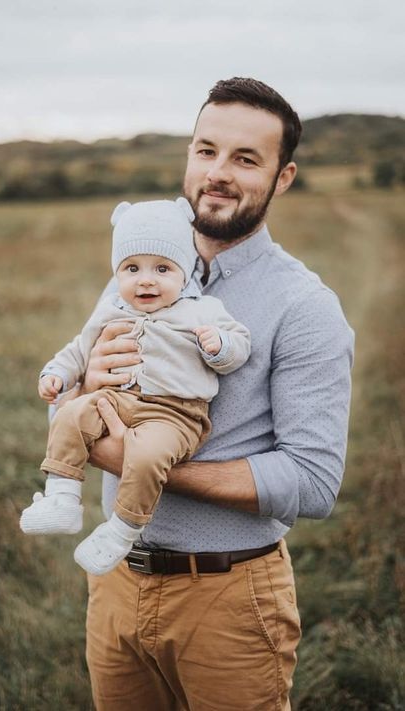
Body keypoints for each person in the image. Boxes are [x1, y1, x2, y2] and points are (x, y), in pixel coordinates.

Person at [66, 78, 354, 710]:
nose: (218, 173)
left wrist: (146, 464)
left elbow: (312, 481)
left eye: (246, 159)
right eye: (206, 150)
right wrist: (84, 388)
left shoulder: (305, 307)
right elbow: (73, 396)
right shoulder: (136, 273)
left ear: (283, 176)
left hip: (228, 595)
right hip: (115, 583)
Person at [20, 197, 251, 576]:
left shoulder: (201, 310)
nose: (146, 279)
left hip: (175, 415)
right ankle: (61, 498)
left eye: (162, 268)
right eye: (131, 268)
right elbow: (79, 349)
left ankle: (123, 529)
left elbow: (240, 342)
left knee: (146, 455)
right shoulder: (112, 309)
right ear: (118, 273)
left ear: (185, 272)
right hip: (117, 398)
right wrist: (57, 375)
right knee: (71, 414)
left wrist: (219, 346)